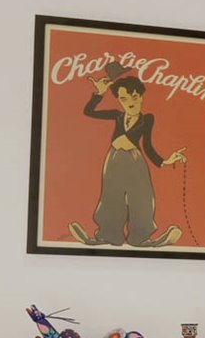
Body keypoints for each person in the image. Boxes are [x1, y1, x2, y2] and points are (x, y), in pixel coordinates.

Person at [67, 61, 187, 247]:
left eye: (134, 96)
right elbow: (88, 111)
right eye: (124, 99)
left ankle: (141, 238)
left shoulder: (147, 119)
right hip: (114, 160)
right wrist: (99, 93)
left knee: (141, 197)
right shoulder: (117, 115)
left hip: (135, 161)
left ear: (141, 97)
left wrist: (165, 161)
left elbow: (147, 146)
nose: (130, 102)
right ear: (119, 101)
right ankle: (107, 236)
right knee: (110, 197)